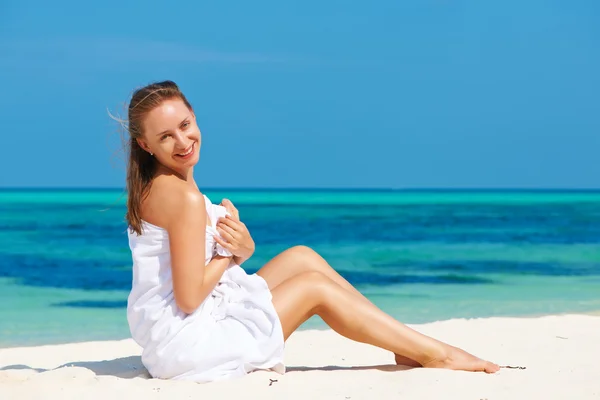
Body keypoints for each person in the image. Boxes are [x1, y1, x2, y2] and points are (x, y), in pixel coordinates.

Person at [122, 80, 499, 383]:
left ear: (195, 118)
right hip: (188, 345)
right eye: (166, 136)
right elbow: (188, 298)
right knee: (314, 289)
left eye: (185, 125)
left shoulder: (161, 186)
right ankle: (436, 353)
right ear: (145, 145)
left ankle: (404, 344)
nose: (183, 141)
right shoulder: (180, 198)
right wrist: (230, 255)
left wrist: (239, 247)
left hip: (176, 332)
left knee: (302, 256)